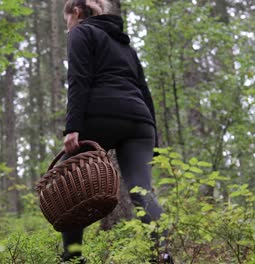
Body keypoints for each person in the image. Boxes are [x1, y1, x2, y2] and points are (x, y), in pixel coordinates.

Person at [60, 0, 173, 263]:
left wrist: (73, 127)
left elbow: (78, 78)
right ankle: (163, 254)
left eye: (66, 19)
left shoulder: (81, 31)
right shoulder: (125, 44)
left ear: (76, 13)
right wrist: (153, 140)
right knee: (141, 190)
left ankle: (72, 258)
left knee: (67, 184)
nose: (66, 25)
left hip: (101, 115)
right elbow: (144, 91)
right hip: (140, 122)